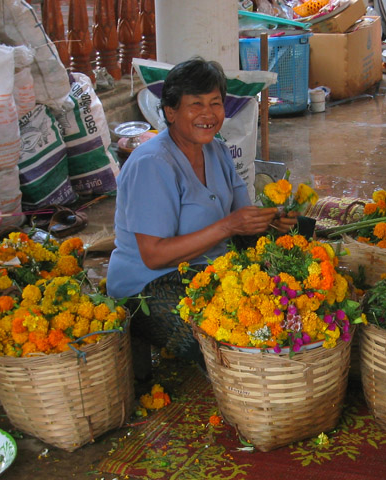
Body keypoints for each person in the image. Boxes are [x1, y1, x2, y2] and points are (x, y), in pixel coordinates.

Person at [107, 57, 297, 377]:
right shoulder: (152, 164)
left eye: (215, 103)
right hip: (149, 285)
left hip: (206, 268)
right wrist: (228, 226)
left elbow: (241, 217)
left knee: (297, 243)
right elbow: (153, 256)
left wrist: (273, 218)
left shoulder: (217, 151)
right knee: (224, 340)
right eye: (195, 104)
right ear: (170, 112)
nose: (208, 114)